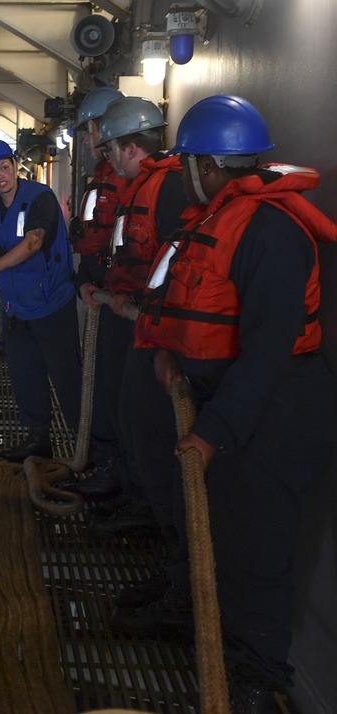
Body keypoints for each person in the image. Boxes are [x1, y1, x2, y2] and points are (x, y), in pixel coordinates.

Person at [135, 95, 337, 713]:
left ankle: (255, 675)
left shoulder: (271, 234)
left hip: (278, 410)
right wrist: (171, 357)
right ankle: (210, 632)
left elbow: (269, 352)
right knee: (219, 528)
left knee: (256, 546)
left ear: (212, 165)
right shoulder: (222, 217)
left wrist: (213, 430)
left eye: (192, 162)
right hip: (230, 400)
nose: (188, 174)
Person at [91, 97, 191, 629]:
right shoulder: (144, 188)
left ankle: (182, 588)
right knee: (138, 435)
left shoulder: (168, 190)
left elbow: (178, 269)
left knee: (159, 451)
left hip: (160, 341)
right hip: (140, 326)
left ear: (132, 147)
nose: (109, 158)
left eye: (112, 148)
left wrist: (164, 337)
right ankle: (170, 567)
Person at [0, 138, 82, 461]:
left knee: (67, 378)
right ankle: (38, 439)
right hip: (16, 309)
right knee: (25, 376)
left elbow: (33, 242)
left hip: (51, 306)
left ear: (15, 166)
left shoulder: (40, 198)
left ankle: (92, 445)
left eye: (4, 167)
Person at [69, 86, 129, 499]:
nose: (87, 139)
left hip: (120, 304)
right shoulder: (107, 180)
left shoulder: (126, 183)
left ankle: (120, 477)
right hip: (104, 295)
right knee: (108, 387)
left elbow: (121, 241)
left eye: (89, 130)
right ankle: (110, 465)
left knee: (120, 392)